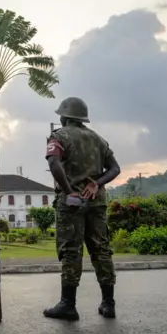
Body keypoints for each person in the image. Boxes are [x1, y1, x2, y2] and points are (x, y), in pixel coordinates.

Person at [43, 96, 121, 321]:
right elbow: (115, 168)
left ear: (65, 116)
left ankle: (68, 304)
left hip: (72, 205)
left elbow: (53, 163)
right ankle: (108, 303)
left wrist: (68, 190)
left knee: (71, 251)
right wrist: (97, 183)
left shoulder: (59, 136)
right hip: (97, 202)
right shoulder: (98, 139)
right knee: (101, 249)